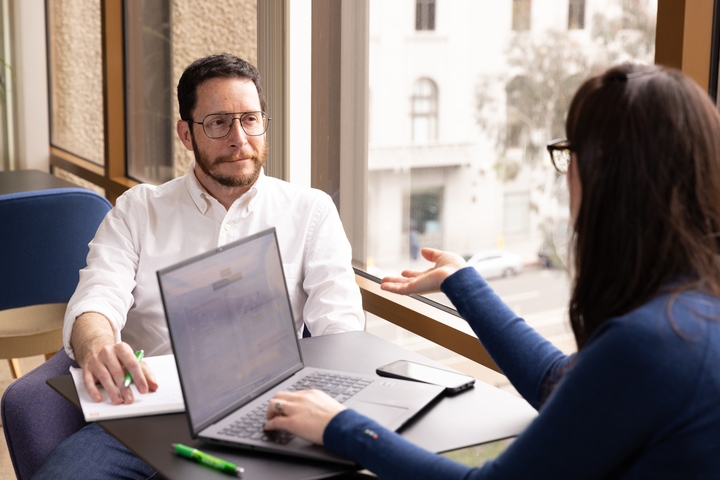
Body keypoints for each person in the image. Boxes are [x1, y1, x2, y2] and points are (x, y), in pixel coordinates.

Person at [263, 63, 720, 478]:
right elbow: (558, 384)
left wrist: (341, 426)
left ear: (609, 177)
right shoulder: (692, 309)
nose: (567, 175)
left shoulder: (656, 340)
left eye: (571, 152)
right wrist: (460, 281)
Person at [32, 53, 364, 479]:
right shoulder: (139, 210)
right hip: (148, 412)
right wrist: (97, 345)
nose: (240, 139)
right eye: (219, 123)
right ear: (186, 134)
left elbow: (342, 330)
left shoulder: (310, 210)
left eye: (250, 119)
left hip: (269, 409)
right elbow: (96, 298)